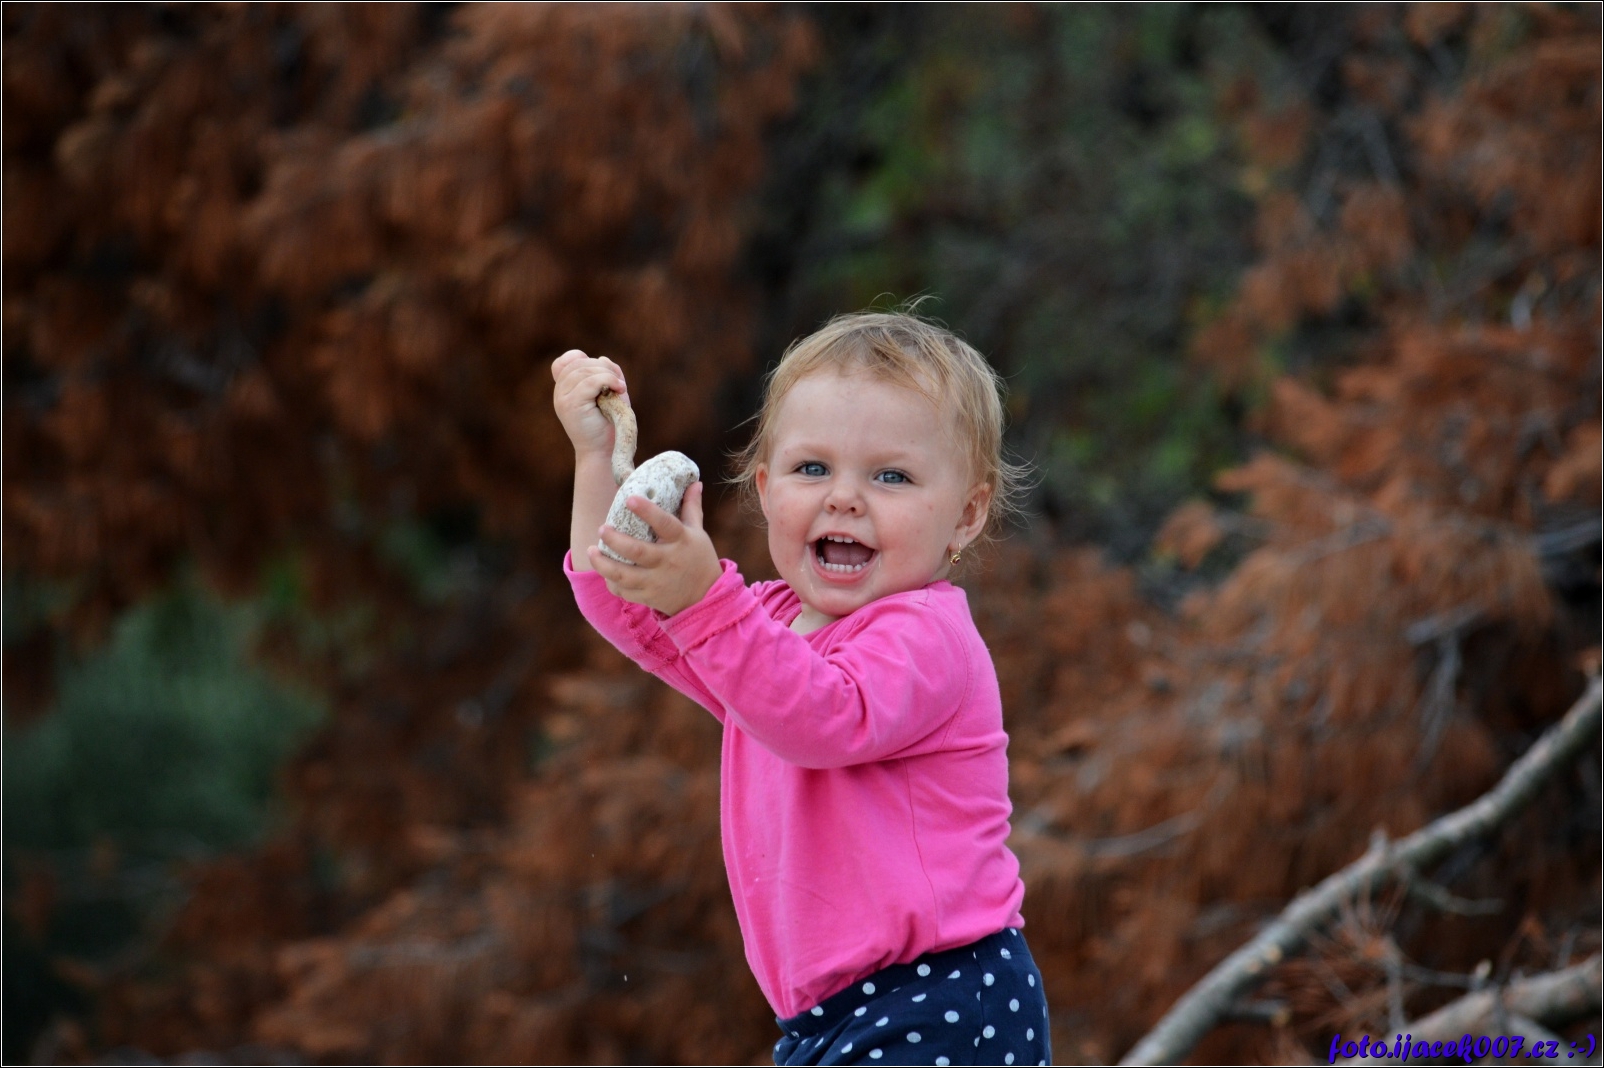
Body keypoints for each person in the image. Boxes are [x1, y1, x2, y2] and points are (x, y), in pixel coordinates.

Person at [552, 311, 1049, 1066]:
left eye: (891, 476)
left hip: (944, 995)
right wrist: (596, 459)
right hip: (831, 1016)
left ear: (967, 514)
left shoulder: (929, 637)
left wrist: (703, 601)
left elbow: (822, 714)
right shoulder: (766, 627)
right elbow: (626, 604)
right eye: (812, 469)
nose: (844, 497)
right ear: (764, 488)